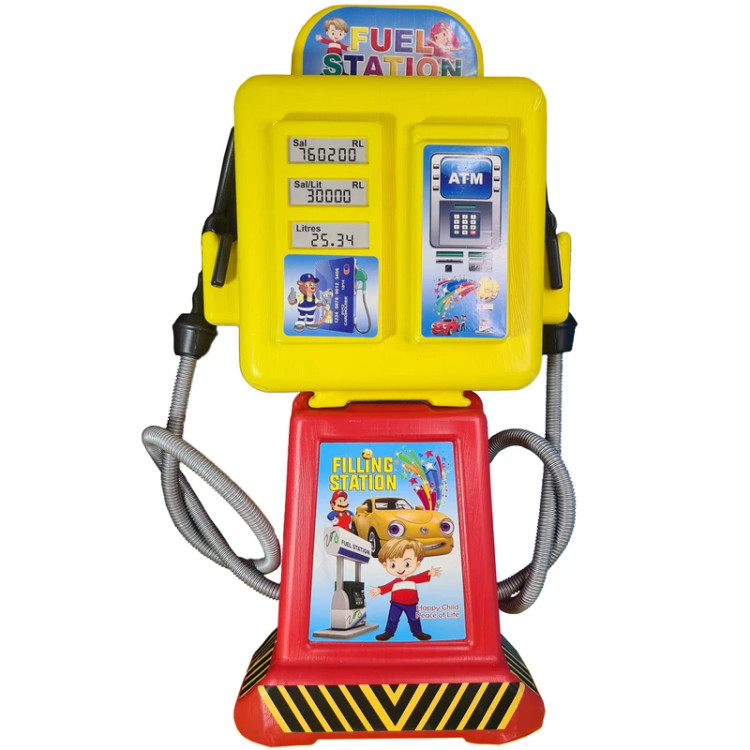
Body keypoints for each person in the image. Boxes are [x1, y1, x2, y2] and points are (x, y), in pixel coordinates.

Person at [369, 539, 441, 641]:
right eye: (393, 565)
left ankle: (418, 632)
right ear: (385, 565)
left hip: (412, 604)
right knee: (392, 618)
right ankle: (388, 632)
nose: (400, 569)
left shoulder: (413, 579)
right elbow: (387, 587)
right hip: (396, 604)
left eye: (407, 564)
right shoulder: (395, 581)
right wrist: (379, 590)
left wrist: (430, 573)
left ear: (417, 563)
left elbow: (421, 576)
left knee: (414, 618)